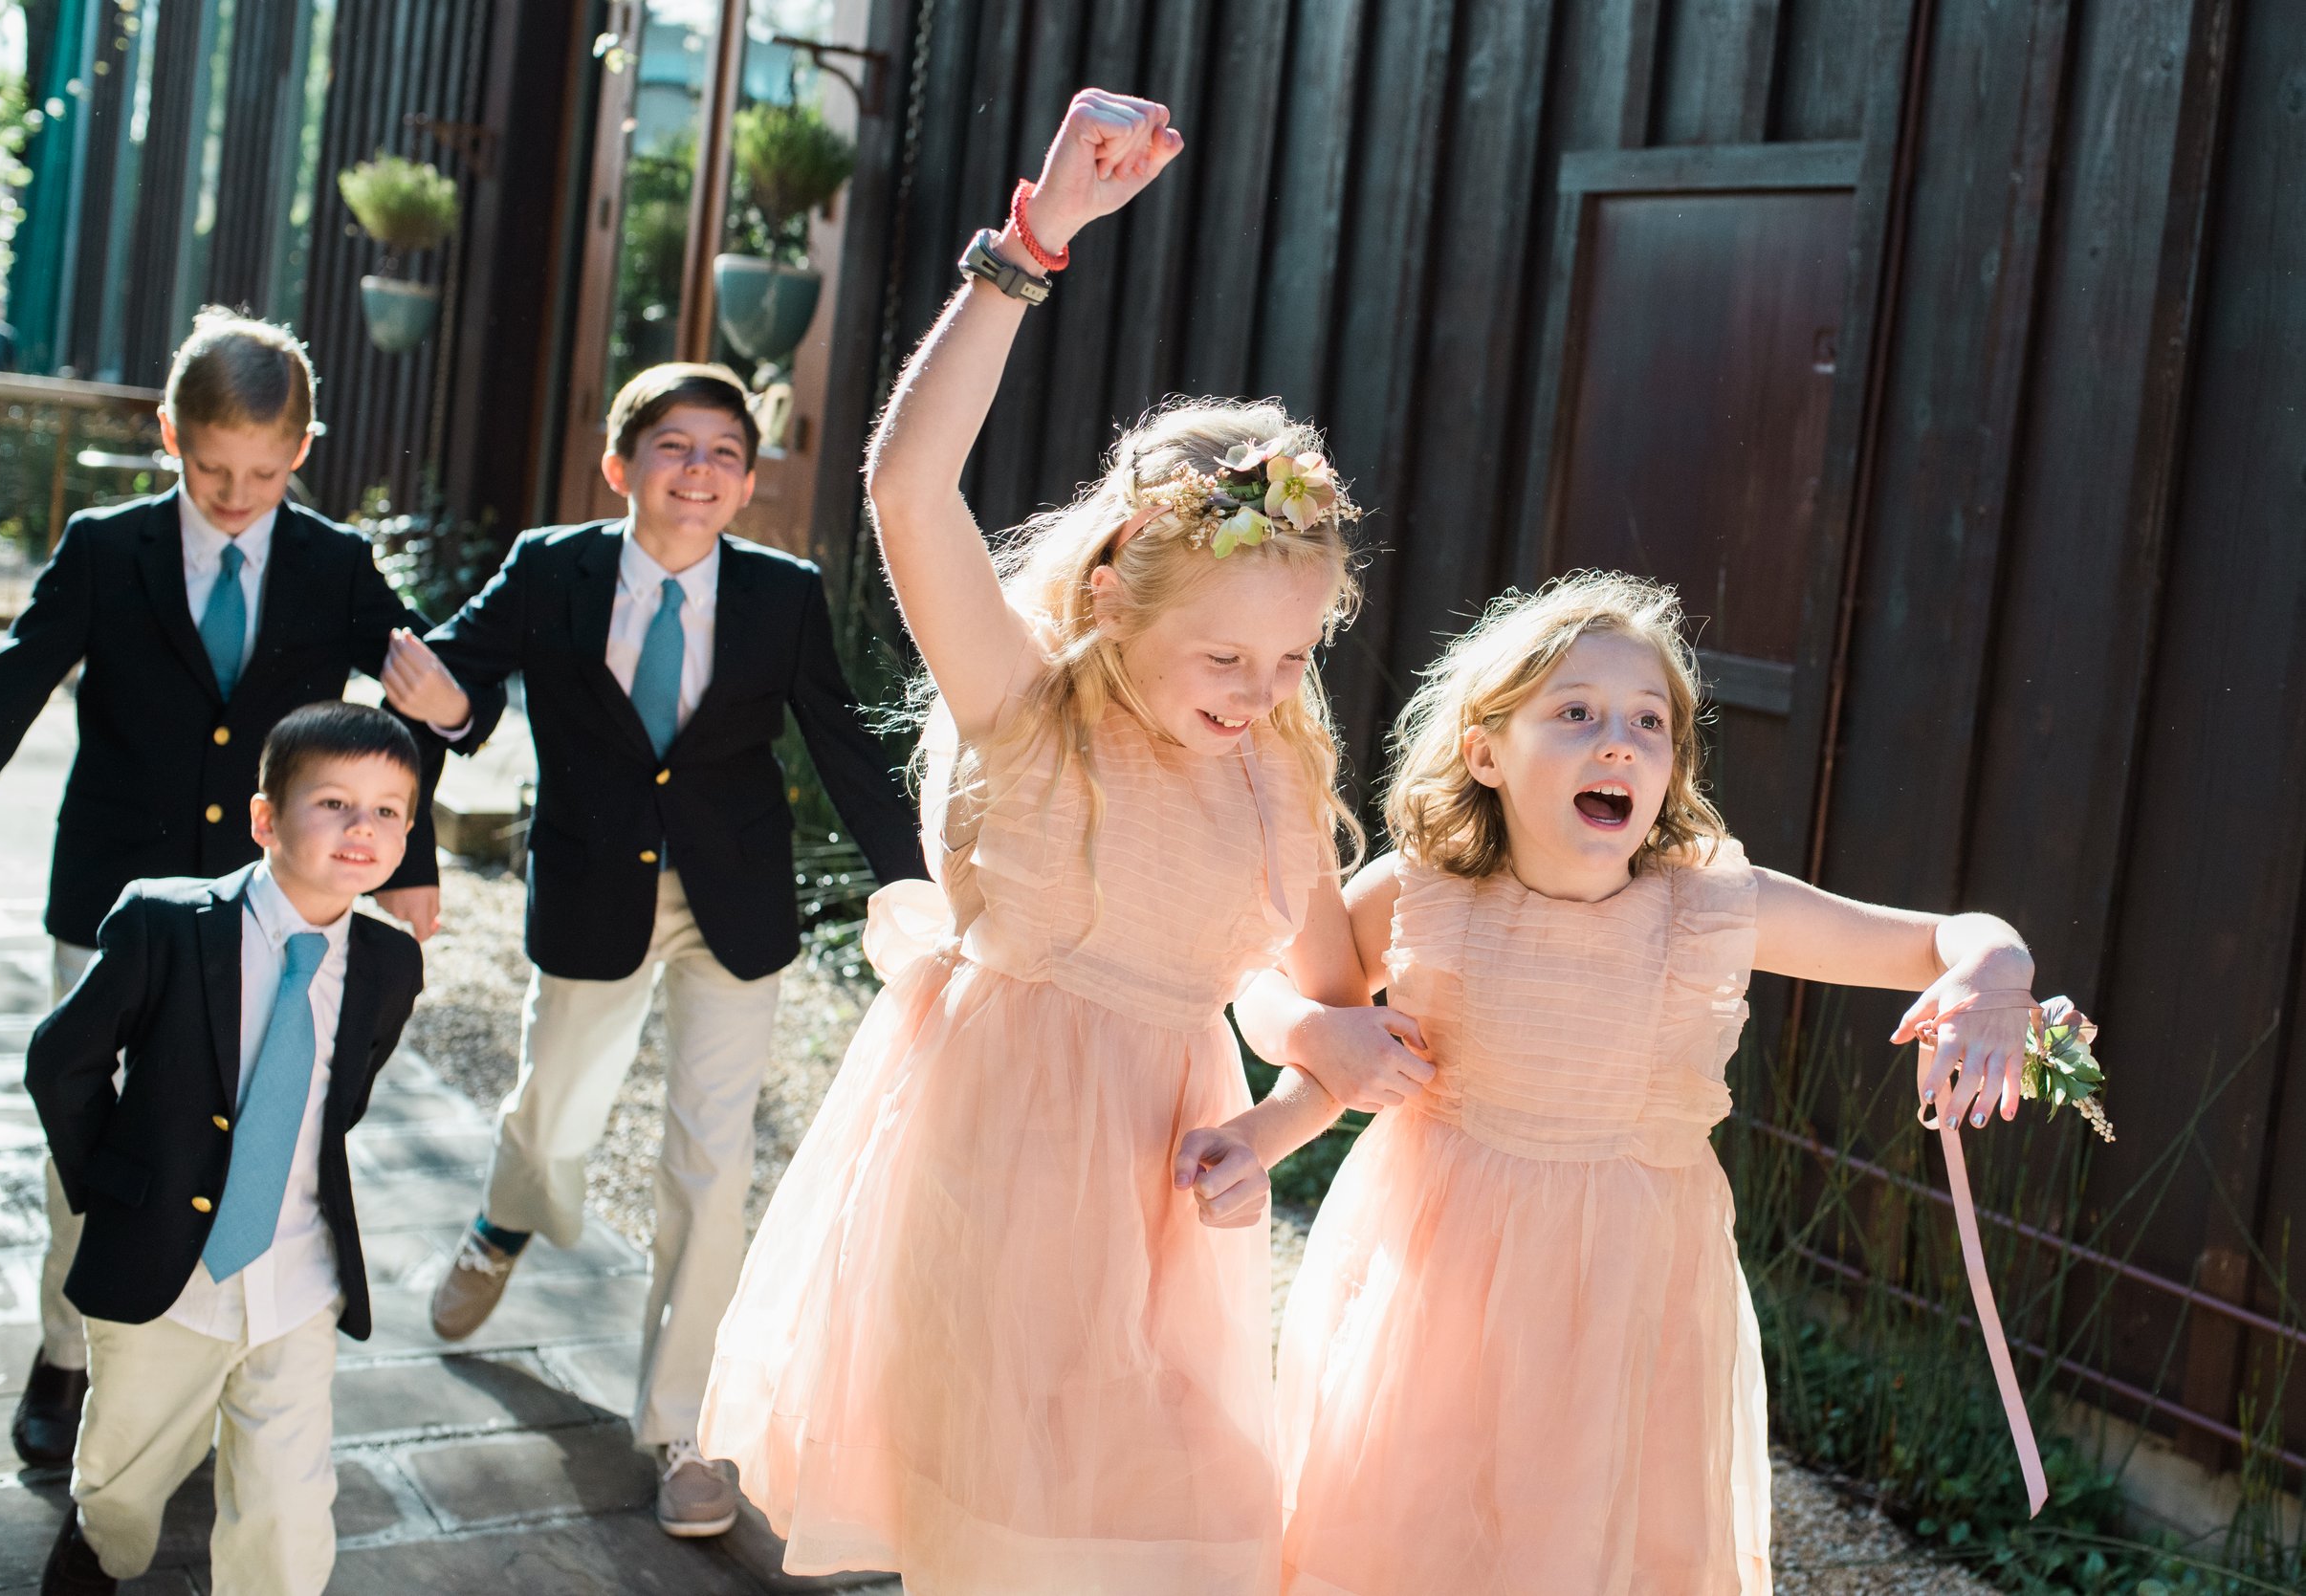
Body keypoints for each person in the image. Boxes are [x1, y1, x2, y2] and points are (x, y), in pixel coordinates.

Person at [697, 90, 1361, 1593]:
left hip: (1169, 1196)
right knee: (1000, 1531)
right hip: (998, 1164)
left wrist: (1273, 1133)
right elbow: (905, 487)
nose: (1259, 693)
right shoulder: (1027, 711)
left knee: (1171, 1532)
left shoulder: (1277, 773)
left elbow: (1325, 1010)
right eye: (1225, 658)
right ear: (1117, 597)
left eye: (1289, 658)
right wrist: (1034, 241)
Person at [1207, 571, 2061, 1596]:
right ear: (1485, 752)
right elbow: (1266, 986)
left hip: (1628, 1291)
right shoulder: (1424, 890)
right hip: (1438, 1278)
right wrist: (1308, 1040)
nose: (1618, 742)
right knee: (1414, 1524)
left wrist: (1996, 969)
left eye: (1648, 721)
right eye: (1575, 712)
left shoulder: (1710, 910)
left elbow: (1941, 938)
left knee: (1595, 1538)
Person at [0, 307, 488, 1470]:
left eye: (265, 474)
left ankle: (203, 1359)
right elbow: (3, 695)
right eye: (213, 469)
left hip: (263, 908)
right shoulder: (105, 547)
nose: (236, 496)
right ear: (170, 434)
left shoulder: (333, 563)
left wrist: (451, 738)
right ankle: (68, 1349)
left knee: (229, 1137)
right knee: (95, 1127)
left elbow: (415, 708)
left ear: (303, 449)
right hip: (112, 898)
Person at [380, 360, 925, 1536]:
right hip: (593, 895)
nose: (700, 470)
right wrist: (412, 828)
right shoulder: (552, 569)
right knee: (554, 1113)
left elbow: (839, 741)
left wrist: (919, 885)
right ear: (619, 466)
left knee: (709, 1165)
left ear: (748, 483)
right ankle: (505, 1216)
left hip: (734, 907)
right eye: (674, 446)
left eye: (726, 452)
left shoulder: (781, 593)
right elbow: (439, 689)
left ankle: (685, 1426)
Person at [27, 703, 428, 1596]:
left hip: (299, 1280)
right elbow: (61, 1062)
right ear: (264, 819)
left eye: (388, 810)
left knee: (289, 1509)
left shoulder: (389, 963)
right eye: (333, 802)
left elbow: (340, 1098)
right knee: (124, 1480)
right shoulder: (166, 923)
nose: (362, 827)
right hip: (165, 1284)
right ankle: (95, 1551)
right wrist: (115, 1188)